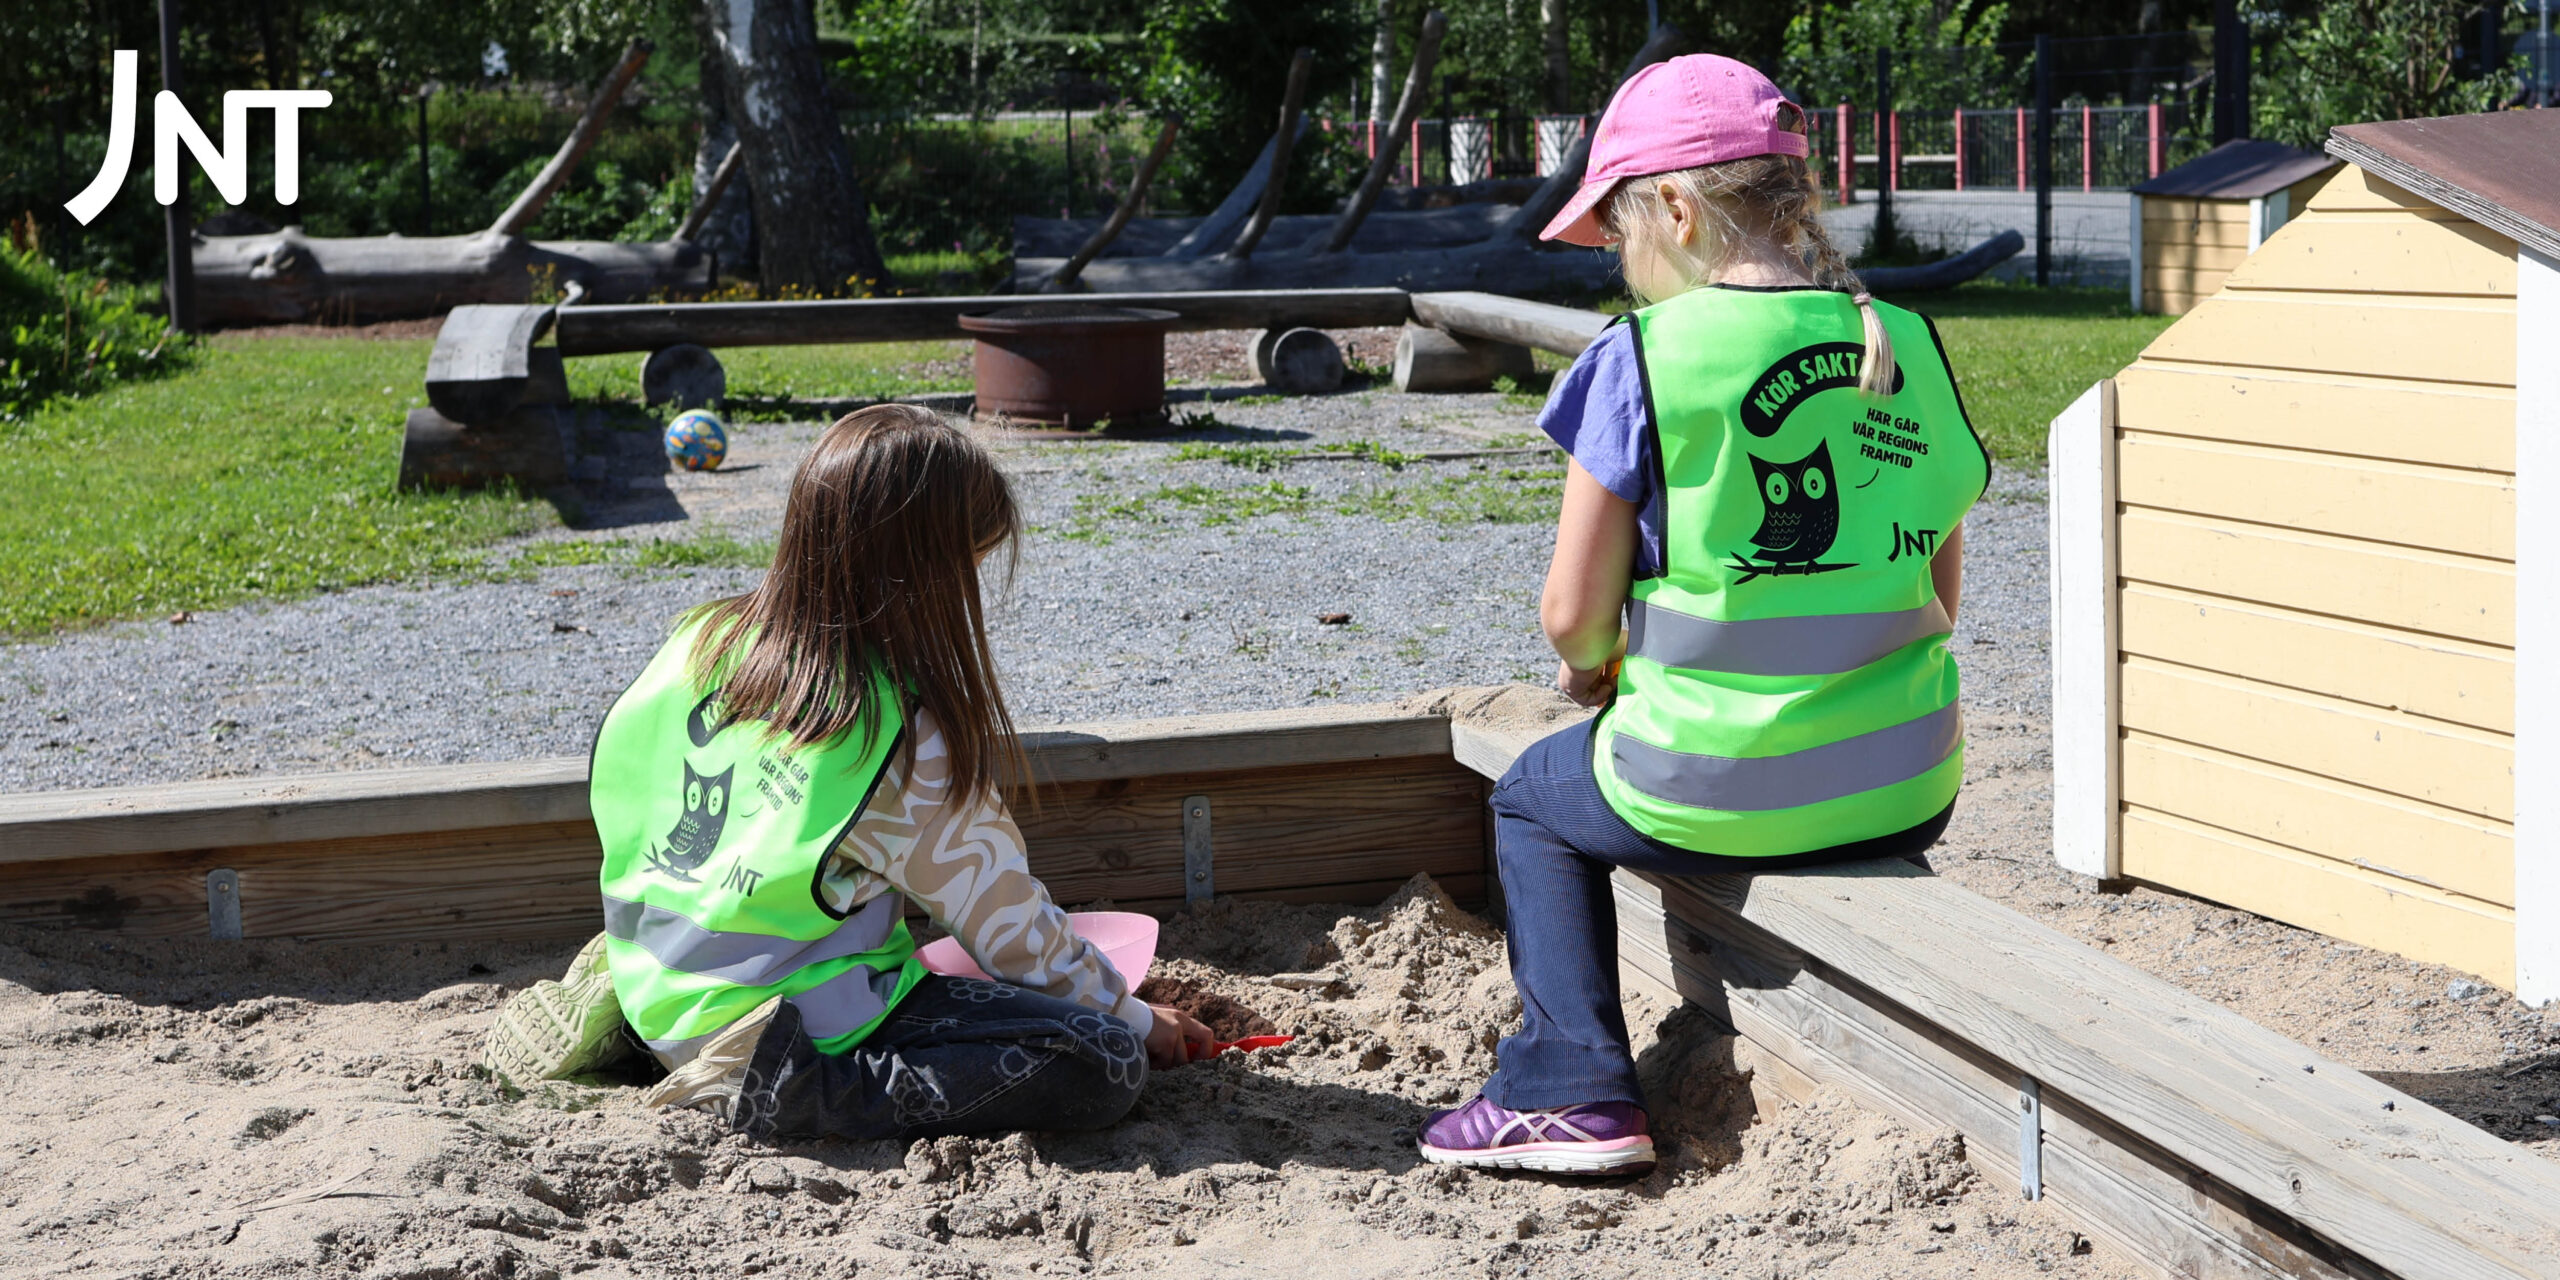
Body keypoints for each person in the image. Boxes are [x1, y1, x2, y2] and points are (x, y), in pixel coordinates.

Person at [1419, 55, 1990, 1176]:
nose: (1626, 273)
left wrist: (1603, 669)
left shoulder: (1647, 355)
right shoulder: (1911, 347)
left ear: (1676, 209)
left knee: (1533, 798)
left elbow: (1570, 614)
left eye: (1624, 237)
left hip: (1707, 782)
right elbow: (1937, 593)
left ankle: (1567, 1083)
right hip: (1905, 785)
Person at [489, 404, 1213, 1142]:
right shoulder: (899, 738)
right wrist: (1134, 1016)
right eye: (968, 566)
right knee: (1100, 1060)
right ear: (927, 578)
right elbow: (1011, 931)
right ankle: (779, 1093)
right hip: (776, 1028)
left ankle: (674, 1035)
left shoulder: (703, 639)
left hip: (658, 978)